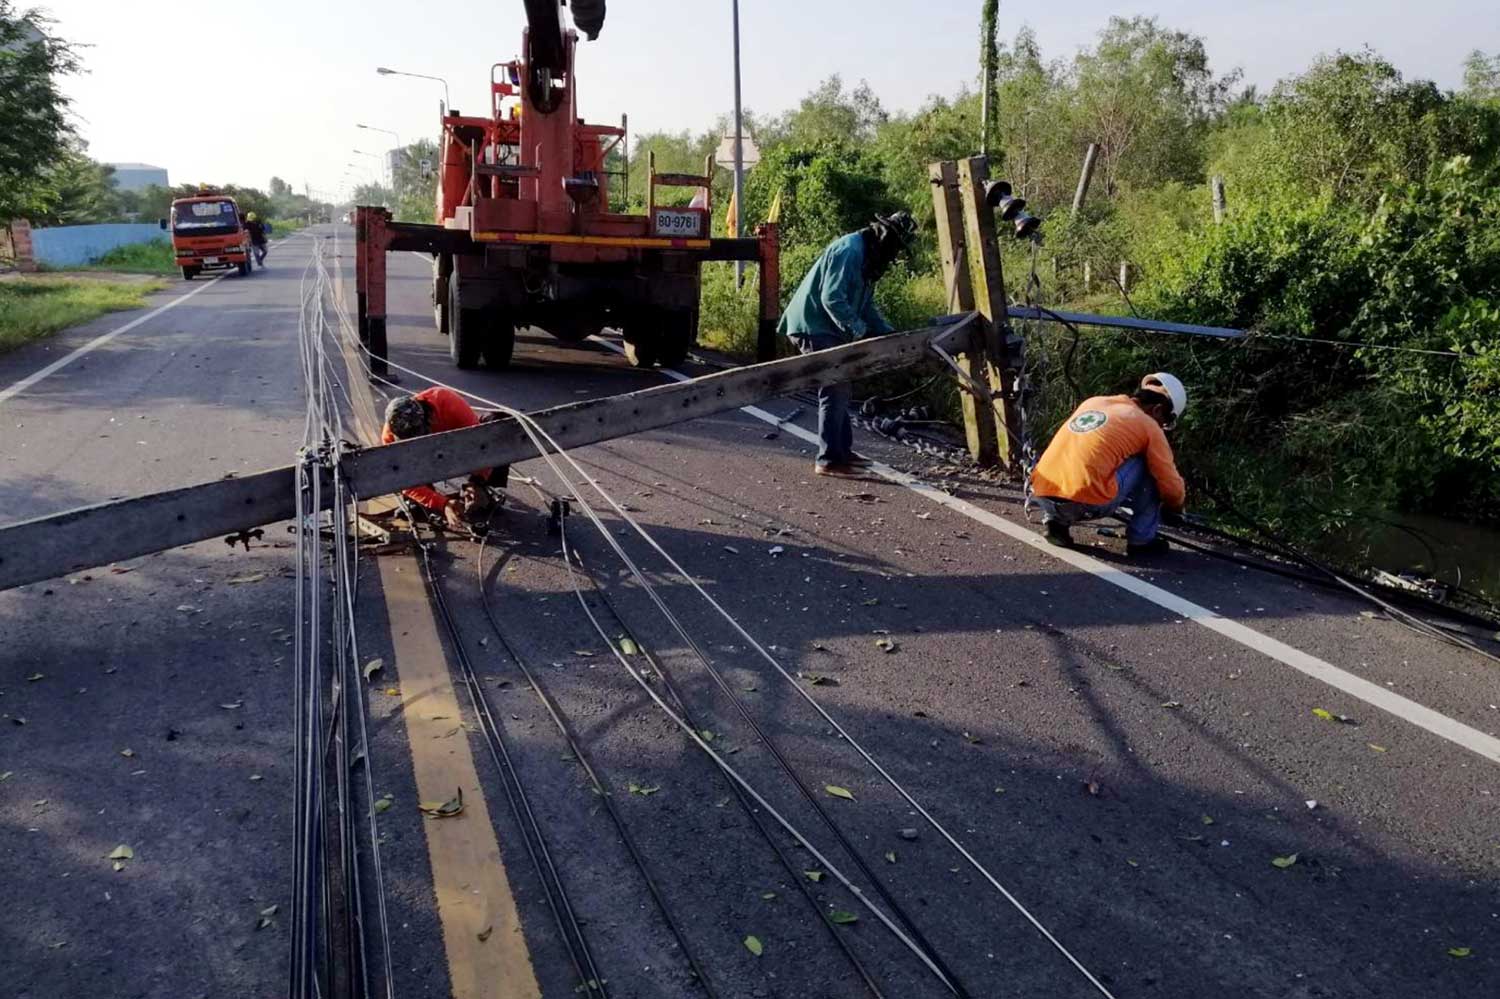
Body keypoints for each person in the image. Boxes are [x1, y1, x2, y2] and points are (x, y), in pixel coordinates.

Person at [778, 210, 916, 477]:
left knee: (842, 386)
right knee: (834, 387)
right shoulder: (850, 251)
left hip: (829, 328)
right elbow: (832, 298)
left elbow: (865, 306)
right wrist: (860, 331)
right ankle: (828, 459)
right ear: (886, 236)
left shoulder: (869, 259)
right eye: (897, 245)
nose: (896, 253)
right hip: (812, 325)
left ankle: (842, 452)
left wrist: (887, 332)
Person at [1031, 372, 1188, 555]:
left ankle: (1056, 524)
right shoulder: (1148, 425)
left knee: (1076, 454)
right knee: (1150, 465)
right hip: (1084, 504)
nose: (1162, 427)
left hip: (1042, 493)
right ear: (1158, 410)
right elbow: (1170, 483)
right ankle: (1141, 539)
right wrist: (1174, 508)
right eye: (1165, 422)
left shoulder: (1094, 402)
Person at [381, 387, 509, 532]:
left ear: (427, 417)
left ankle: (484, 490)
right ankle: (423, 501)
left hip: (456, 447)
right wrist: (443, 504)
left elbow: (480, 445)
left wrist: (477, 481)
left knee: (498, 422)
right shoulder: (390, 437)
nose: (418, 439)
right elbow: (404, 480)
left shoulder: (447, 402)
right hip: (424, 459)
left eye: (419, 435)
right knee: (419, 505)